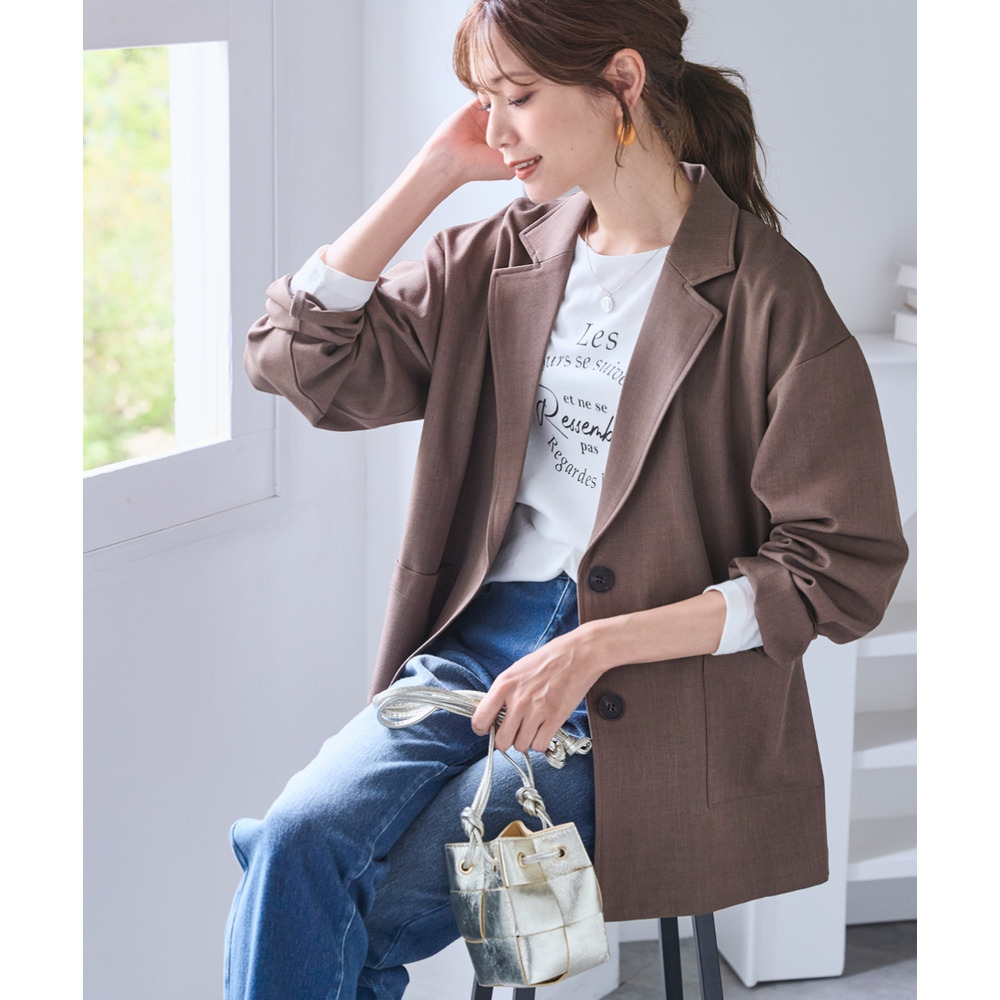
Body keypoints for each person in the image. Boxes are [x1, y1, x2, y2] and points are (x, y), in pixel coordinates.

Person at [225, 1, 908, 997]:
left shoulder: (767, 294)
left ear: (622, 81)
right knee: (297, 840)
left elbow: (839, 570)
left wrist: (594, 646)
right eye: (482, 101)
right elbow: (298, 360)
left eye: (518, 97)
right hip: (471, 653)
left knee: (323, 899)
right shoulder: (503, 256)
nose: (493, 130)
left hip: (647, 693)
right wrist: (433, 173)